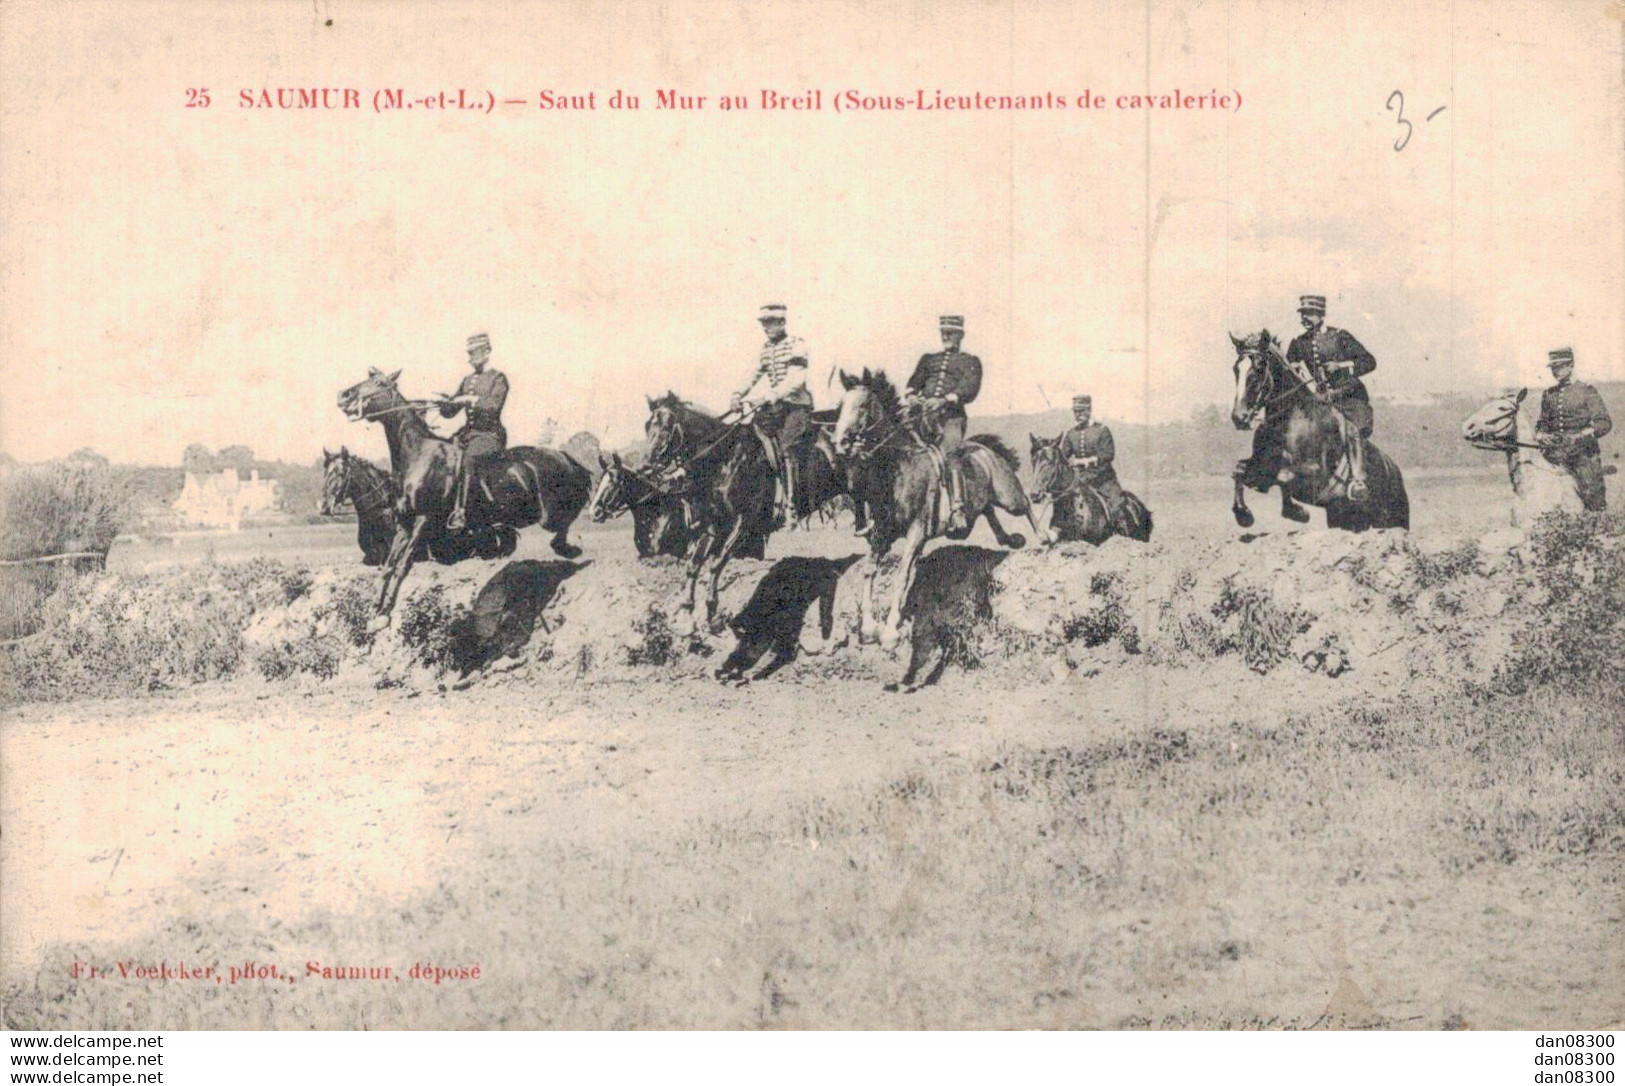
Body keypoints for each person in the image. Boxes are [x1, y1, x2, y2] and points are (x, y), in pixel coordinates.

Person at [1286, 294, 1377, 501]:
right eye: (1302, 314)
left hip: (1348, 397)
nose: (1304, 319)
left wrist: (1341, 366)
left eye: (1309, 314)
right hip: (1318, 399)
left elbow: (1369, 362)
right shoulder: (1298, 343)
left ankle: (1357, 480)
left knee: (1351, 429)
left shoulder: (1340, 336)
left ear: (1320, 315)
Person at [733, 304, 813, 529]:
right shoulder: (766, 349)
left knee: (787, 448)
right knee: (750, 442)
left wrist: (770, 396)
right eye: (763, 324)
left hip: (797, 406)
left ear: (782, 323)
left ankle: (791, 505)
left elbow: (796, 379)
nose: (765, 328)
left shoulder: (797, 345)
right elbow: (753, 374)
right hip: (775, 407)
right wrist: (738, 394)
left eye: (770, 323)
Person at [905, 315, 983, 534]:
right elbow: (913, 383)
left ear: (960, 335)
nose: (946, 336)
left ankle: (957, 508)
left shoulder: (970, 361)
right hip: (922, 417)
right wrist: (912, 396)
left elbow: (970, 388)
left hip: (951, 417)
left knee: (951, 452)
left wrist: (945, 399)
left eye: (951, 332)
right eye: (943, 332)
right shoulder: (928, 359)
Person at [441, 332, 509, 531]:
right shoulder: (467, 380)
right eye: (469, 353)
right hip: (468, 434)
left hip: (490, 435)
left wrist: (470, 400)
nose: (470, 358)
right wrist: (445, 404)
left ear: (487, 352)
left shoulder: (498, 378)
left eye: (474, 353)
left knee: (468, 460)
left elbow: (494, 406)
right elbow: (451, 410)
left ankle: (460, 512)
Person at [1535, 347, 1612, 512]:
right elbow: (1542, 423)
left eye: (1560, 367)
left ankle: (1598, 522)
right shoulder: (1549, 394)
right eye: (1553, 368)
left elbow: (1604, 422)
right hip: (1554, 455)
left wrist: (1582, 435)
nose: (1555, 371)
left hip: (1582, 454)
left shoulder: (1586, 390)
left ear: (1571, 366)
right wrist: (1542, 435)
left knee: (1592, 496)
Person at [1061, 394, 1124, 514]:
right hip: (1080, 479)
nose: (1078, 415)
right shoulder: (1071, 434)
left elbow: (1108, 455)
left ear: (1089, 410)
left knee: (1118, 507)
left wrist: (1083, 461)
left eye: (1081, 411)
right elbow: (1064, 456)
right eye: (1075, 412)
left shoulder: (1102, 430)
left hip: (1103, 480)